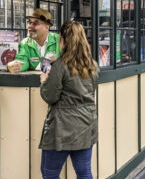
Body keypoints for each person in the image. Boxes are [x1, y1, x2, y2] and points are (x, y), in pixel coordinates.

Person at [39, 21, 99, 179]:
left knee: (50, 173)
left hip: (62, 127)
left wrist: (44, 80)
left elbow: (50, 96)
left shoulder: (60, 65)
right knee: (84, 172)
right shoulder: (92, 65)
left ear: (63, 40)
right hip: (86, 124)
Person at [7, 8, 60, 73]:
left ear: (47, 26)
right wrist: (15, 66)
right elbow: (22, 61)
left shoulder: (59, 40)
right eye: (29, 22)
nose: (29, 26)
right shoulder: (25, 43)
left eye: (35, 23)